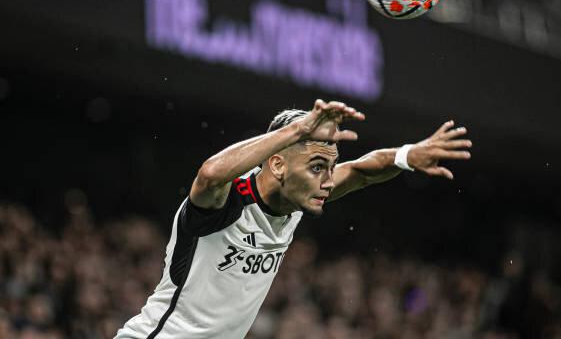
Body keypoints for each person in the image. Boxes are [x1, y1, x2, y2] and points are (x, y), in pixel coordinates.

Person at [115, 99, 472, 338]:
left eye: (330, 168)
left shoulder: (299, 198)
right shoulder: (226, 200)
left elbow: (364, 170)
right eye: (318, 166)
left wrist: (408, 155)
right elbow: (209, 174)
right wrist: (299, 130)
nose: (329, 181)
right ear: (278, 163)